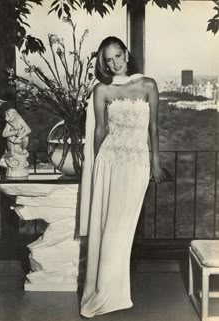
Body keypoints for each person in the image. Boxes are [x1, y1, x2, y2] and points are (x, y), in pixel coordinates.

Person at [79, 36, 166, 319]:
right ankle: (105, 294)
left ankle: (110, 292)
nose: (115, 63)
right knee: (110, 229)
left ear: (126, 54)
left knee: (122, 229)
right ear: (103, 64)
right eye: (108, 60)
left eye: (118, 56)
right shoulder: (102, 90)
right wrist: (95, 167)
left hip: (138, 162)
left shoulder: (148, 84)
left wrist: (155, 162)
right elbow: (100, 131)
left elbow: (153, 128)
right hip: (109, 161)